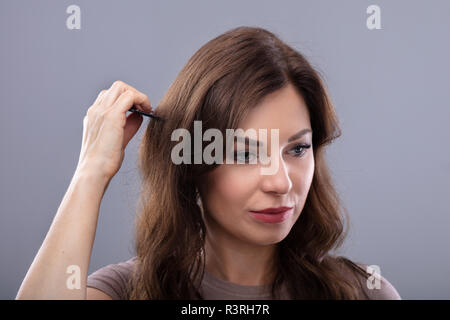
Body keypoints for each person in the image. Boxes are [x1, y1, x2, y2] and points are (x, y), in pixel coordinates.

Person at [16, 26, 401, 300]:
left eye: (297, 150)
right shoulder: (127, 292)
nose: (281, 183)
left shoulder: (363, 293)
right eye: (245, 154)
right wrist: (91, 172)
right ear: (189, 164)